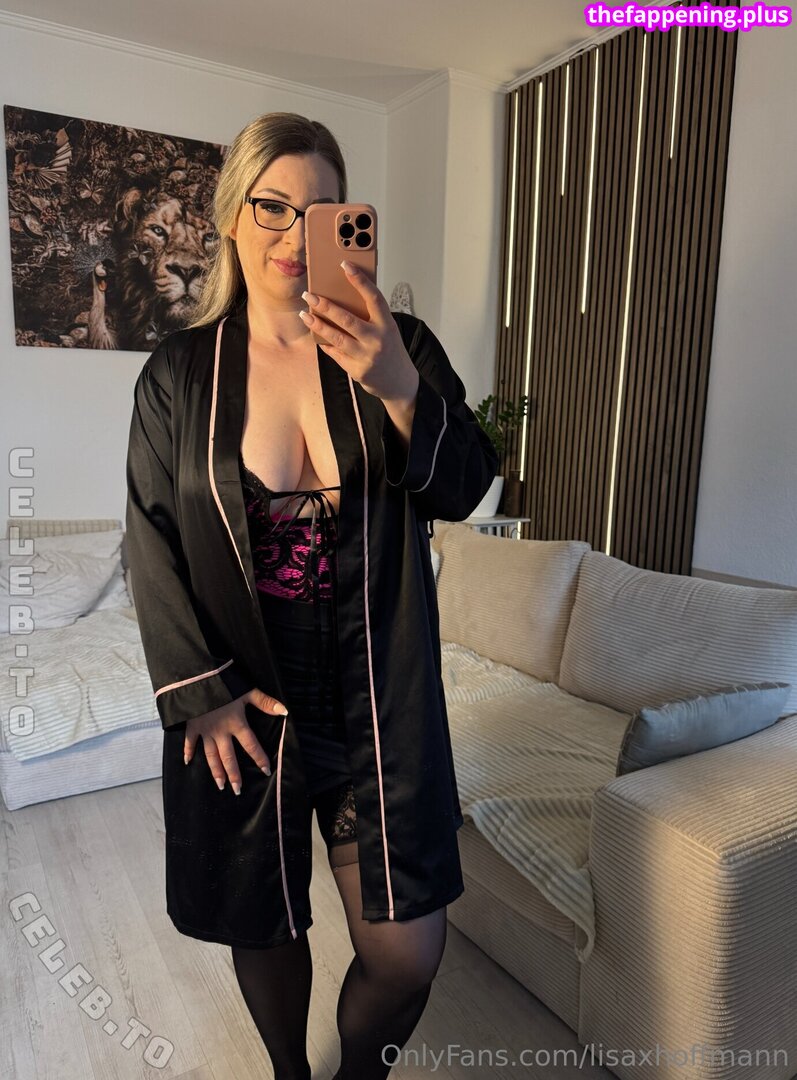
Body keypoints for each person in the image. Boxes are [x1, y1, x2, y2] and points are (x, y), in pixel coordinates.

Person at [125, 111, 499, 1080]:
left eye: (324, 211)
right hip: (246, 694)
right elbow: (151, 537)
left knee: (406, 953)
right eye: (273, 207)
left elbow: (467, 485)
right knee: (265, 914)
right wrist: (200, 693)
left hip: (377, 687)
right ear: (231, 217)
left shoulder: (398, 345)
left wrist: (398, 386)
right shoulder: (178, 376)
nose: (296, 235)